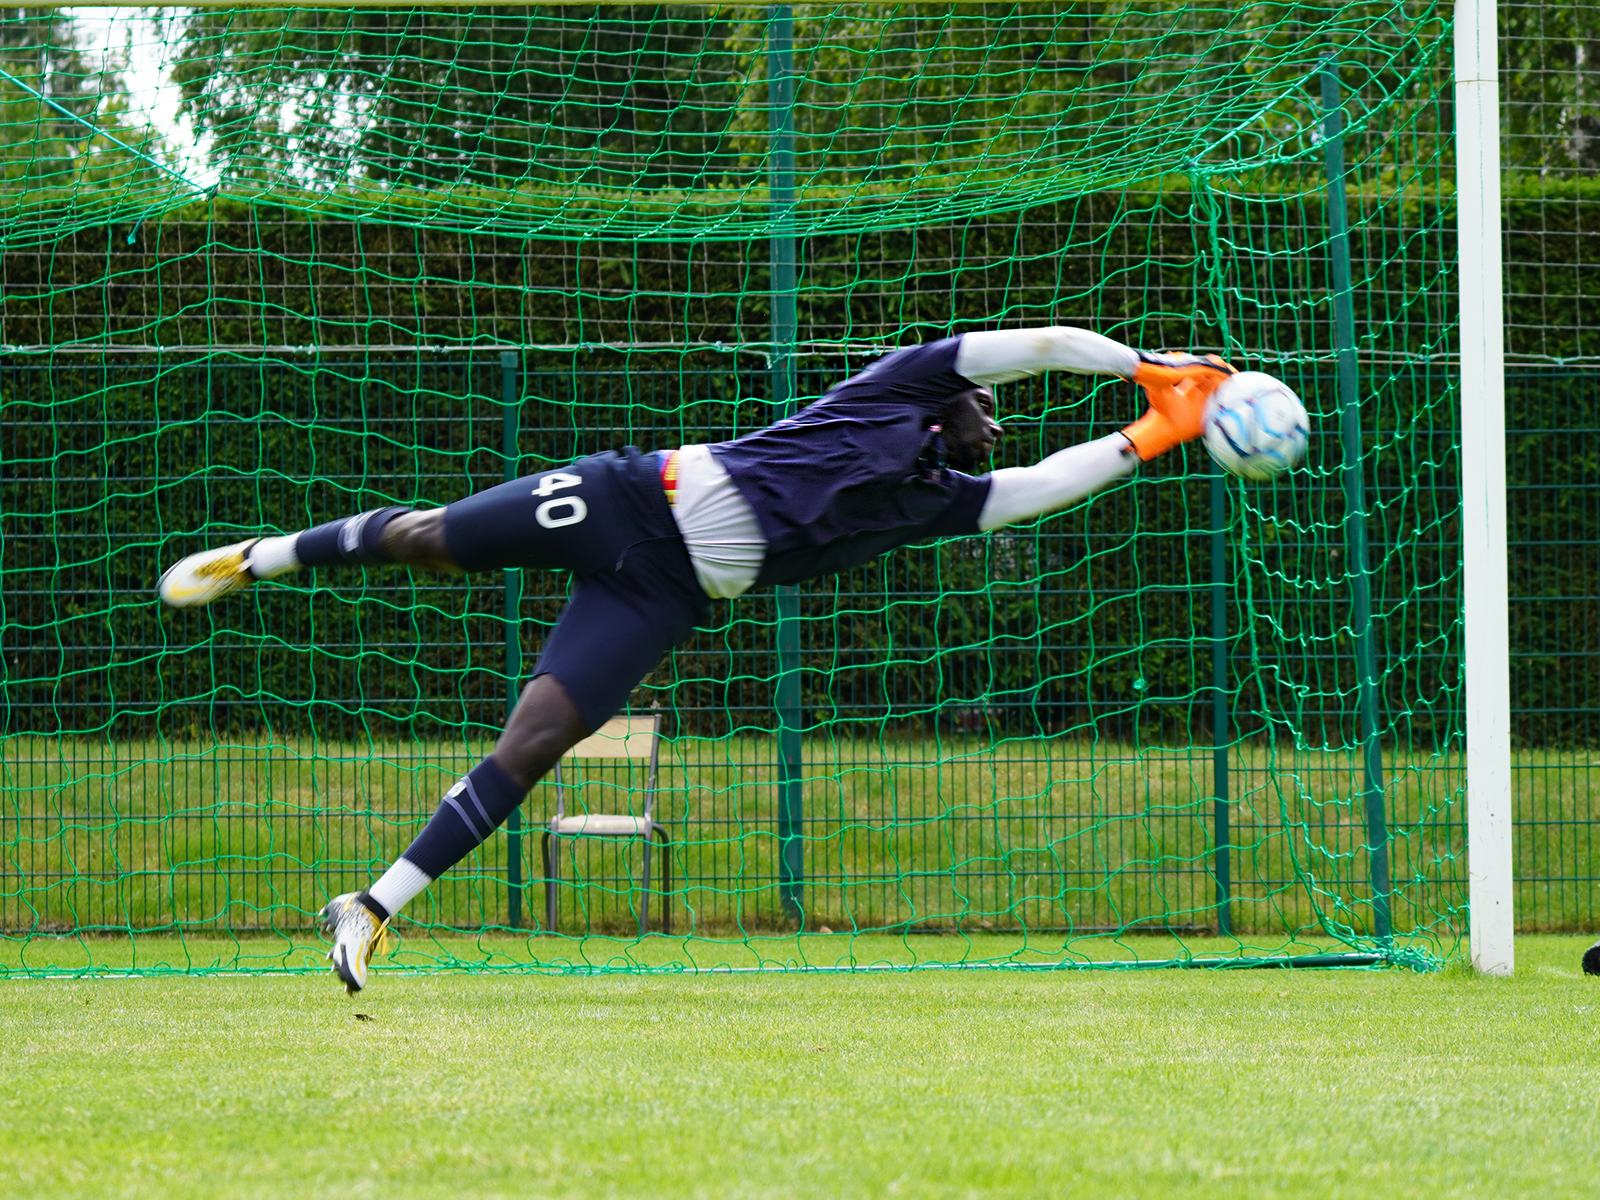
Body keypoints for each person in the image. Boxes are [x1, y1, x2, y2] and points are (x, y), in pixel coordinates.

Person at [158, 326, 1233, 993]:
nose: (994, 419)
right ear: (944, 402)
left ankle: (373, 907)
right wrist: (1146, 369)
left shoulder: (936, 502)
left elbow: (1043, 483)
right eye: (983, 406)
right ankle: (263, 556)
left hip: (661, 590)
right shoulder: (892, 388)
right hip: (625, 496)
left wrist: (1155, 434)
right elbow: (1037, 341)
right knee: (432, 541)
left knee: (539, 739)